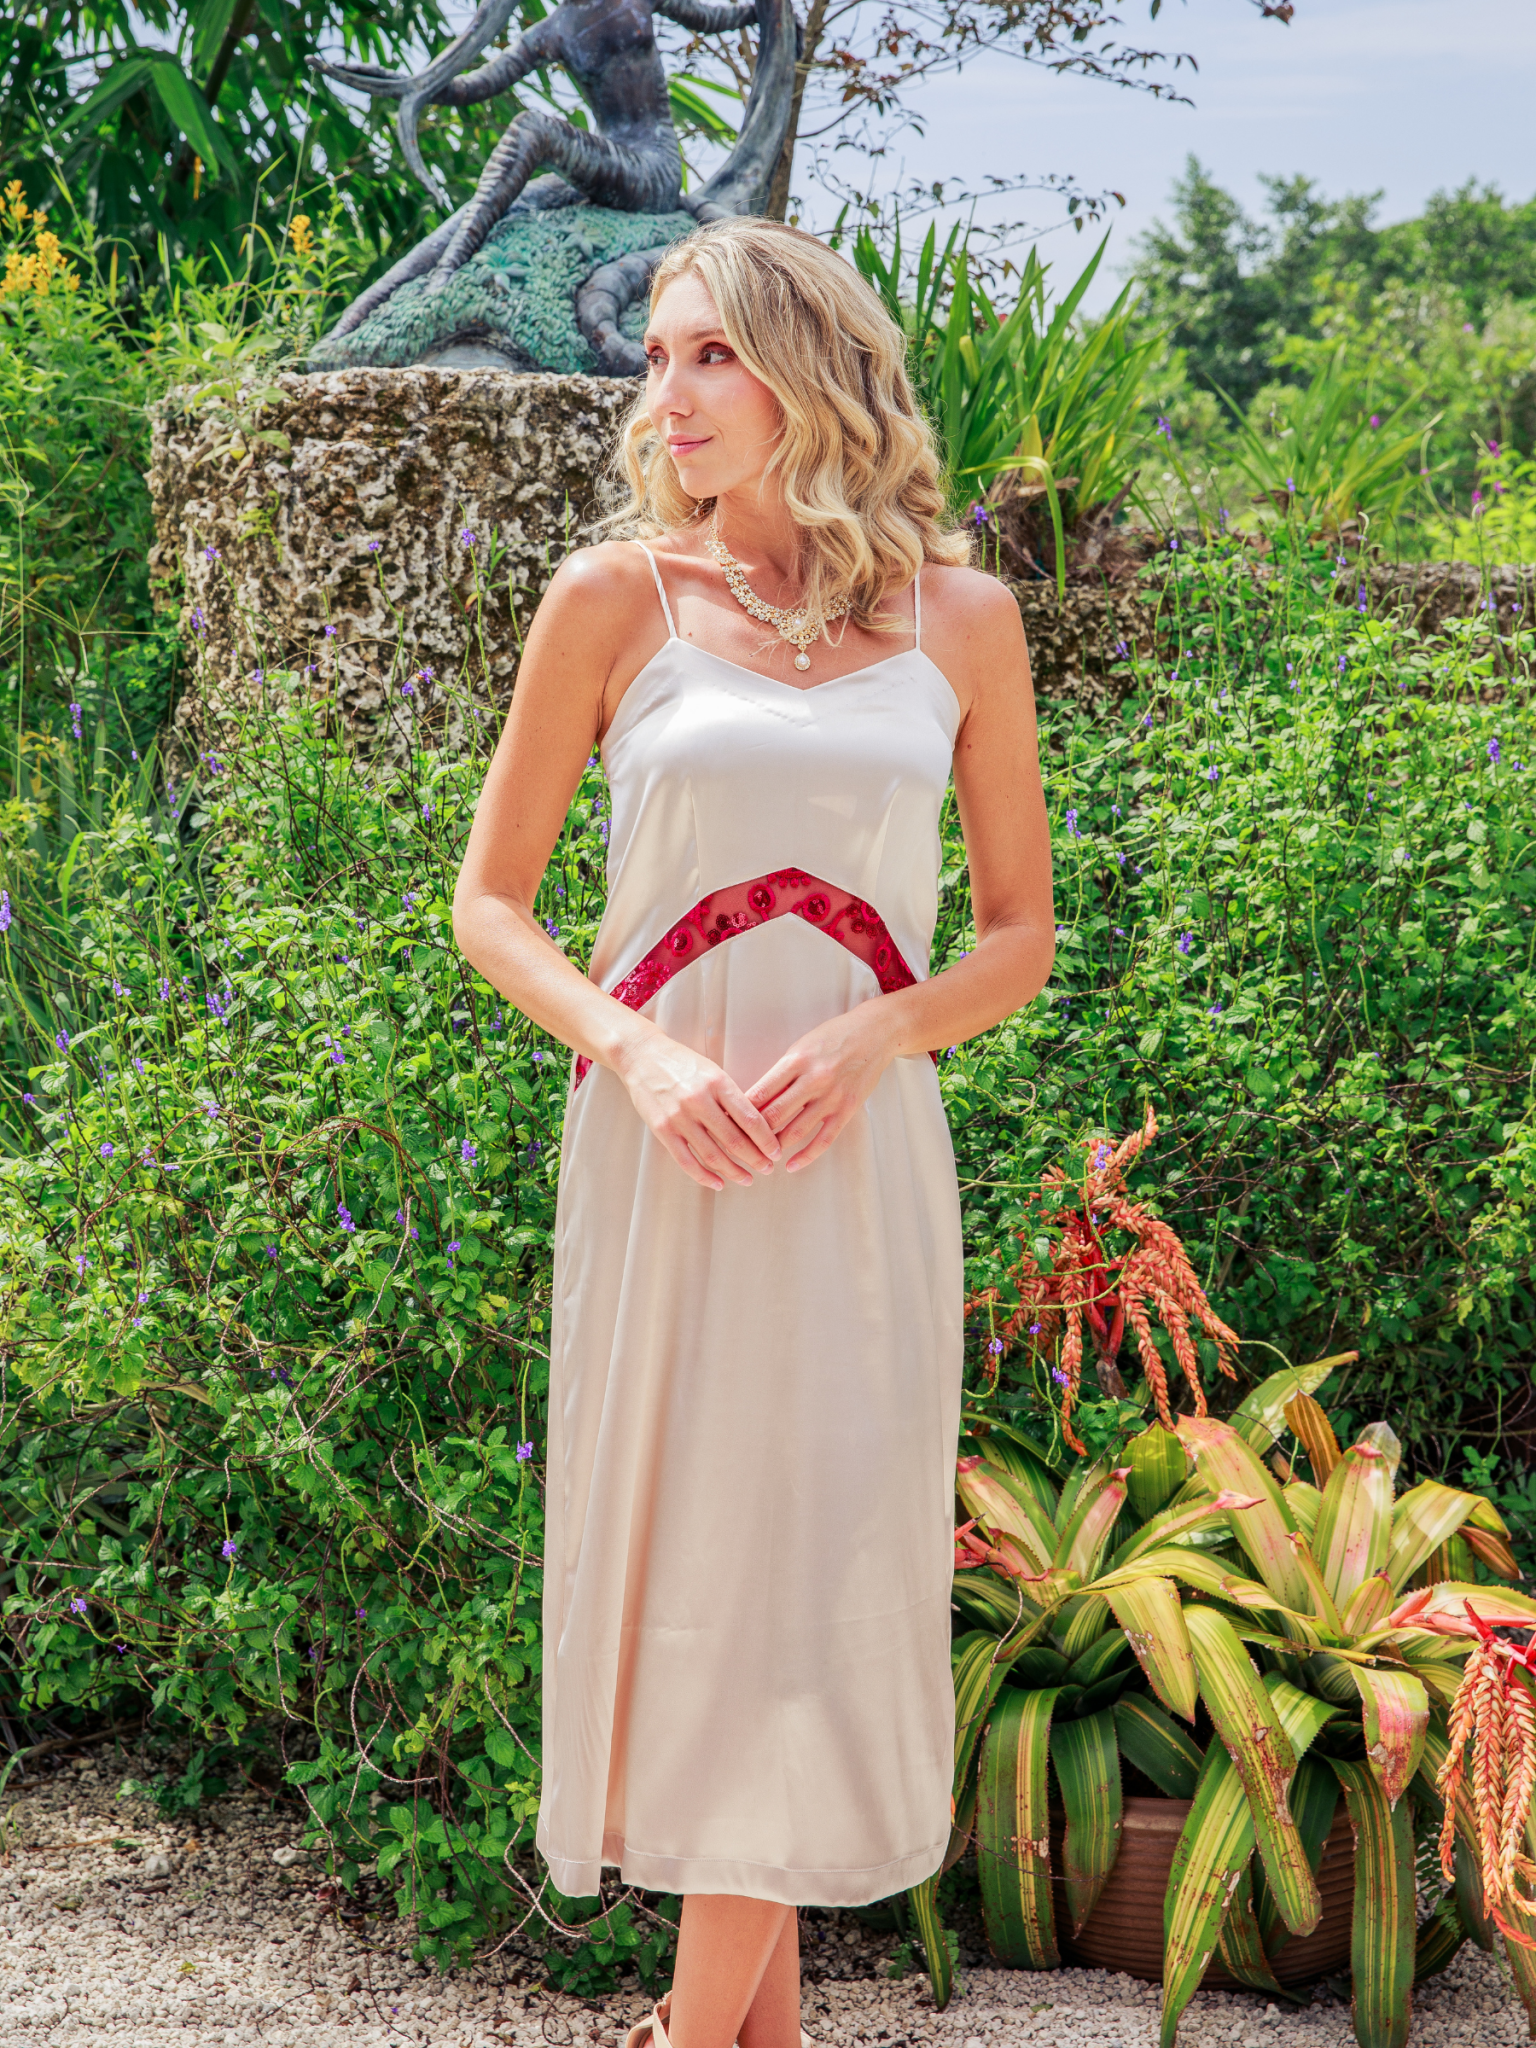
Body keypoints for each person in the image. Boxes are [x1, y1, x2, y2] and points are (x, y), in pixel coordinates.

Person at [452, 216, 1054, 2048]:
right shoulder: (610, 603)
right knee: (707, 1587)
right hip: (664, 1165)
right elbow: (491, 904)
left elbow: (1020, 936)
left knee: (806, 1586)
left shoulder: (961, 618)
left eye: (709, 351)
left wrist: (883, 1028)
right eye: (656, 358)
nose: (672, 393)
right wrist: (633, 1057)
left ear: (808, 365)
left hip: (859, 1173)